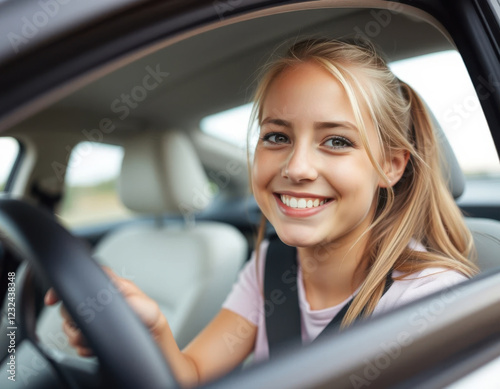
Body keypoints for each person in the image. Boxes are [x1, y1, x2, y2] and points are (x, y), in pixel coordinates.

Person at [45, 38, 478, 387]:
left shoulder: (426, 300)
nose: (296, 168)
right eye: (277, 137)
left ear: (390, 165)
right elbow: (190, 373)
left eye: (337, 141)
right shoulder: (269, 266)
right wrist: (154, 329)